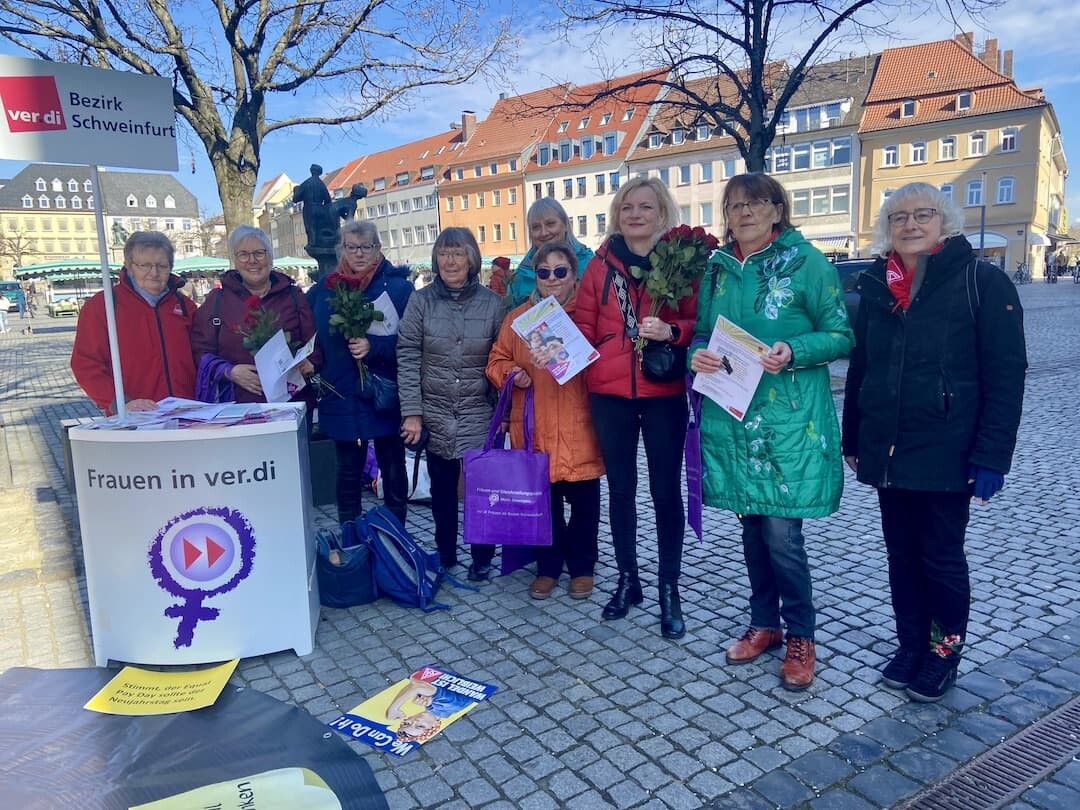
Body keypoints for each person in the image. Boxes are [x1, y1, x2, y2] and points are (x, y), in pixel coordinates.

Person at [842, 182, 1026, 702]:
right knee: (900, 552)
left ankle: (943, 652)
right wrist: (853, 434)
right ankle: (909, 644)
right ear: (887, 228)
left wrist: (993, 455)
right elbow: (863, 367)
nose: (911, 225)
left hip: (949, 446)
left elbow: (1007, 374)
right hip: (889, 445)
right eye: (899, 217)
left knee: (941, 556)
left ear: (943, 220)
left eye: (923, 214)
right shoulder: (879, 284)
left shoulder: (981, 281)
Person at [690, 173, 853, 690]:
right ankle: (765, 624)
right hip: (733, 416)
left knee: (783, 534)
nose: (743, 213)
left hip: (786, 421)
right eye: (734, 205)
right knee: (753, 529)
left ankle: (802, 634)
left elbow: (840, 333)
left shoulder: (808, 265)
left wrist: (795, 351)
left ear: (777, 210)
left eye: (754, 204)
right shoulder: (715, 271)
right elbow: (701, 330)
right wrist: (698, 352)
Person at [573, 176, 696, 639]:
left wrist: (673, 332)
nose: (636, 214)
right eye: (628, 207)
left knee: (666, 492)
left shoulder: (681, 261)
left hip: (663, 392)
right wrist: (558, 351)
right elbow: (584, 324)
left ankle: (669, 586)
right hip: (610, 392)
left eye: (645, 206)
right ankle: (628, 579)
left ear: (661, 213)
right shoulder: (598, 265)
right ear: (617, 214)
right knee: (621, 491)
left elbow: (697, 318)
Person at [486, 241, 604, 600]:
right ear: (535, 277)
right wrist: (511, 373)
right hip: (534, 427)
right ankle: (548, 567)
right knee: (545, 507)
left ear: (574, 276)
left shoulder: (590, 316)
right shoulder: (517, 318)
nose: (552, 279)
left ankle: (582, 566)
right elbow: (495, 360)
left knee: (585, 506)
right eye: (543, 272)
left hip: (579, 425)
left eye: (560, 271)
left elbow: (606, 362)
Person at [397, 227, 505, 580]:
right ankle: (445, 553)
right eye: (444, 253)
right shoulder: (422, 301)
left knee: (481, 490)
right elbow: (409, 354)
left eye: (458, 253)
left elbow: (501, 357)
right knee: (442, 492)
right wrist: (413, 412)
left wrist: (504, 412)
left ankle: (482, 556)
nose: (450, 261)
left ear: (472, 258)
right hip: (437, 411)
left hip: (479, 412)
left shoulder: (492, 304)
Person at [308, 220, 412, 524]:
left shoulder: (398, 288)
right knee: (348, 473)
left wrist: (374, 346)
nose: (359, 254)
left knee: (392, 468)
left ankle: (397, 537)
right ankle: (351, 537)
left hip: (384, 394)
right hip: (341, 394)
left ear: (378, 248)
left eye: (366, 247)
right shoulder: (323, 291)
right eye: (352, 247)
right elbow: (311, 340)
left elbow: (412, 342)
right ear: (342, 249)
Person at [71, 230, 196, 415]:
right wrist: (118, 402)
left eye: (162, 265)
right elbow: (86, 363)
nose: (154, 273)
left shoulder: (185, 306)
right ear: (129, 266)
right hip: (134, 416)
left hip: (186, 413)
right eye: (144, 265)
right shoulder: (103, 306)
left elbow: (202, 356)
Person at [190, 225, 319, 404]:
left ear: (269, 257)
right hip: (238, 405)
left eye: (259, 253)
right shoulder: (217, 301)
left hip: (290, 403)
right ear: (235, 260)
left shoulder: (293, 296)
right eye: (243, 254)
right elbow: (200, 352)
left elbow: (314, 343)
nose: (252, 260)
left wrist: (309, 363)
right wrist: (230, 371)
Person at [506, 198, 594, 306]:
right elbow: (510, 316)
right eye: (536, 227)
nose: (544, 233)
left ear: (565, 225)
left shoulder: (590, 265)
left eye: (550, 224)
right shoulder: (520, 277)